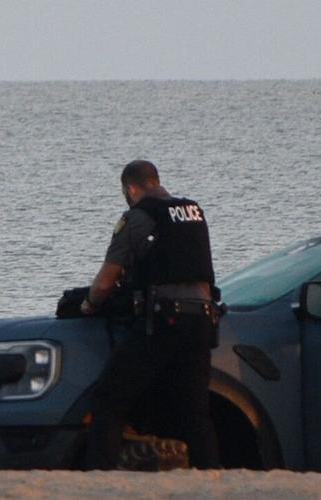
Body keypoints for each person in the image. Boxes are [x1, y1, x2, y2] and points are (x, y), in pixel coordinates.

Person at [79, 160, 220, 470]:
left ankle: (97, 477)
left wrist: (89, 304)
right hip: (202, 321)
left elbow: (105, 282)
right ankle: (213, 475)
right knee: (194, 412)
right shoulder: (192, 212)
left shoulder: (138, 217)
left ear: (130, 188)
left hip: (163, 323)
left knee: (108, 400)